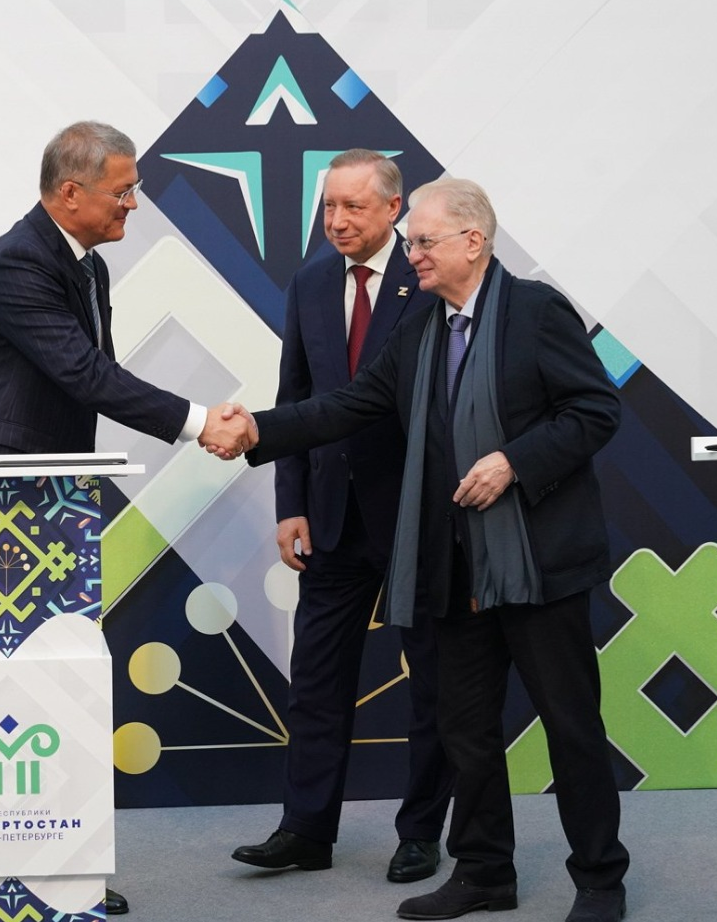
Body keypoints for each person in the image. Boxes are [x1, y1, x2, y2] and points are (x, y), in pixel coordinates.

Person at [0, 121, 255, 922]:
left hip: (53, 505)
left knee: (57, 675)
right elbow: (85, 375)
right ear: (70, 192)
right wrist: (198, 423)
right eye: (123, 190)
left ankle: (61, 869)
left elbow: (95, 375)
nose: (134, 203)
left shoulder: (88, 265)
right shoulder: (18, 262)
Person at [237, 179, 630, 922]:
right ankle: (483, 873)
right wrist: (259, 430)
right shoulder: (420, 326)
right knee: (466, 730)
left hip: (537, 565)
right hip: (452, 567)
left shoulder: (537, 311)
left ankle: (600, 880)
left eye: (423, 241)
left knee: (571, 727)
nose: (411, 253)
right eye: (411, 241)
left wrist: (514, 461)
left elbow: (594, 409)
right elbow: (351, 405)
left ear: (473, 242)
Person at [230, 150, 453, 883]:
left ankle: (420, 833)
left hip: (417, 514)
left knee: (432, 682)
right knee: (317, 680)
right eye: (329, 206)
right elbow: (295, 397)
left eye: (354, 207)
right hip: (329, 516)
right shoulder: (311, 283)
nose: (337, 221)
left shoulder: (430, 279)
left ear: (393, 209)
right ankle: (305, 830)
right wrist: (290, 503)